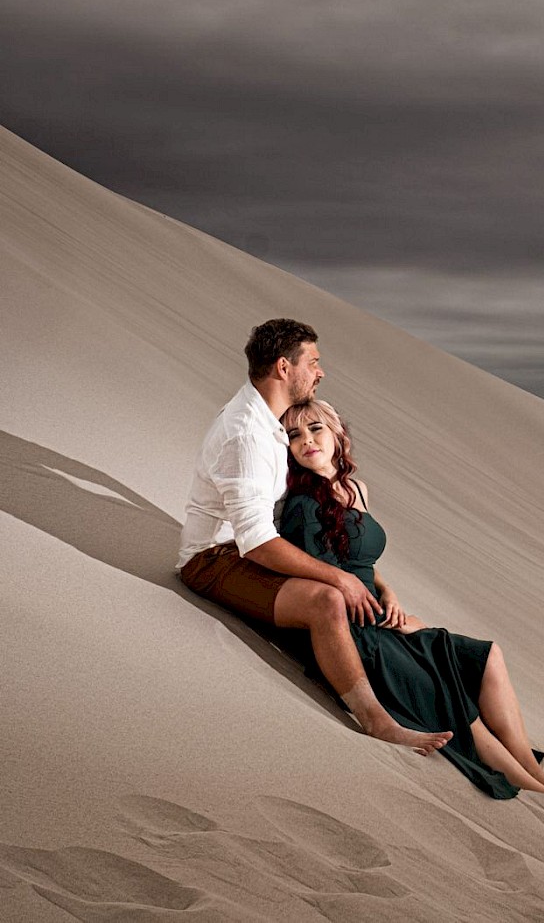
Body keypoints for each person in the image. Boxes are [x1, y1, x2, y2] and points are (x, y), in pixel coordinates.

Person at [279, 399, 544, 812]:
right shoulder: (302, 504)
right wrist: (377, 611)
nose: (307, 441)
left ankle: (535, 770)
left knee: (487, 655)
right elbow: (320, 574)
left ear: (338, 434)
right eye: (294, 435)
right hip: (353, 630)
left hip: (379, 613)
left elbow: (362, 562)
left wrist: (389, 593)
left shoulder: (356, 489)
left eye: (315, 429)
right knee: (445, 687)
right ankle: (542, 792)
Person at [178, 319, 452, 757]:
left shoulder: (271, 422)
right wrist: (340, 581)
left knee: (363, 599)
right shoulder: (246, 433)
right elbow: (256, 542)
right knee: (328, 600)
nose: (320, 373)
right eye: (314, 362)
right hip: (215, 560)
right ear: (285, 368)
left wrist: (378, 583)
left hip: (247, 549)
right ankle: (378, 723)